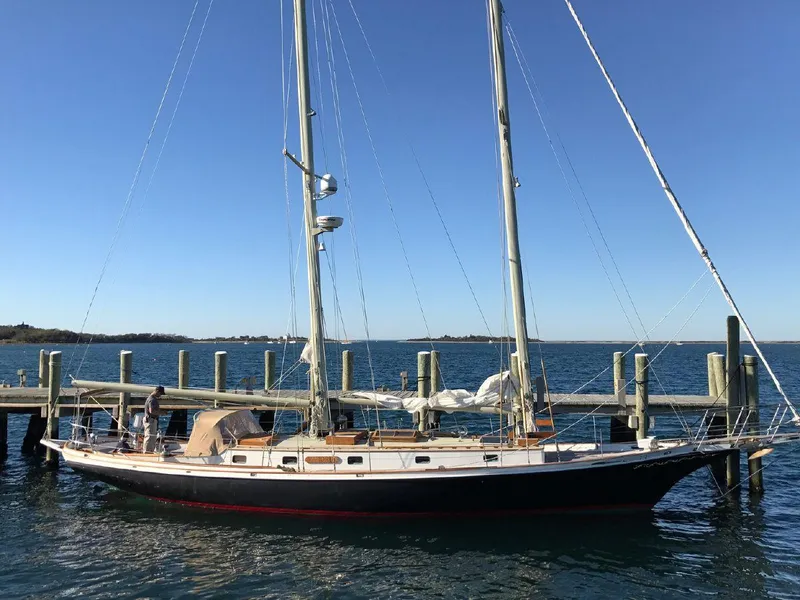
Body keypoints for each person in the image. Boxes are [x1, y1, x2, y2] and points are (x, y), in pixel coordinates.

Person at [142, 385, 165, 453]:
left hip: (151, 419)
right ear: (157, 391)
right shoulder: (152, 399)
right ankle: (147, 452)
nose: (160, 395)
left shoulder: (151, 398)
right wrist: (161, 413)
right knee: (149, 437)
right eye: (160, 393)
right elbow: (151, 411)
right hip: (150, 420)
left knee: (152, 437)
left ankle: (149, 451)